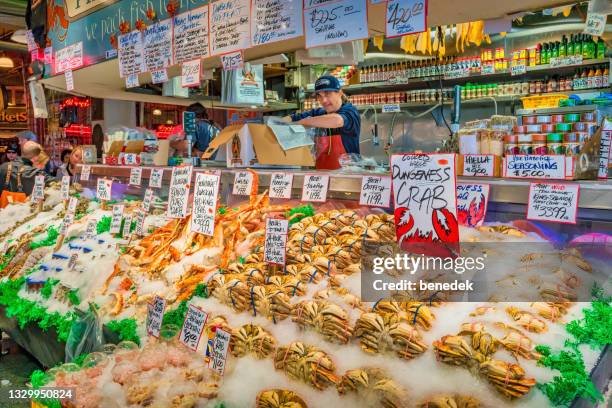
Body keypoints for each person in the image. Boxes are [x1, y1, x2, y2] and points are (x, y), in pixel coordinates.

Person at [284, 75, 361, 170]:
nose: (323, 100)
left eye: (327, 94)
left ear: (340, 93)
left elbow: (337, 120)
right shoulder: (319, 112)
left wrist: (302, 123)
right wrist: (276, 124)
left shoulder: (350, 111)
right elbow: (291, 118)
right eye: (319, 96)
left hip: (347, 174)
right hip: (321, 175)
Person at [0, 141, 52, 207]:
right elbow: (57, 182)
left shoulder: (3, 167)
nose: (43, 167)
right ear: (35, 157)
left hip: (3, 212)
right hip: (24, 213)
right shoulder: (35, 172)